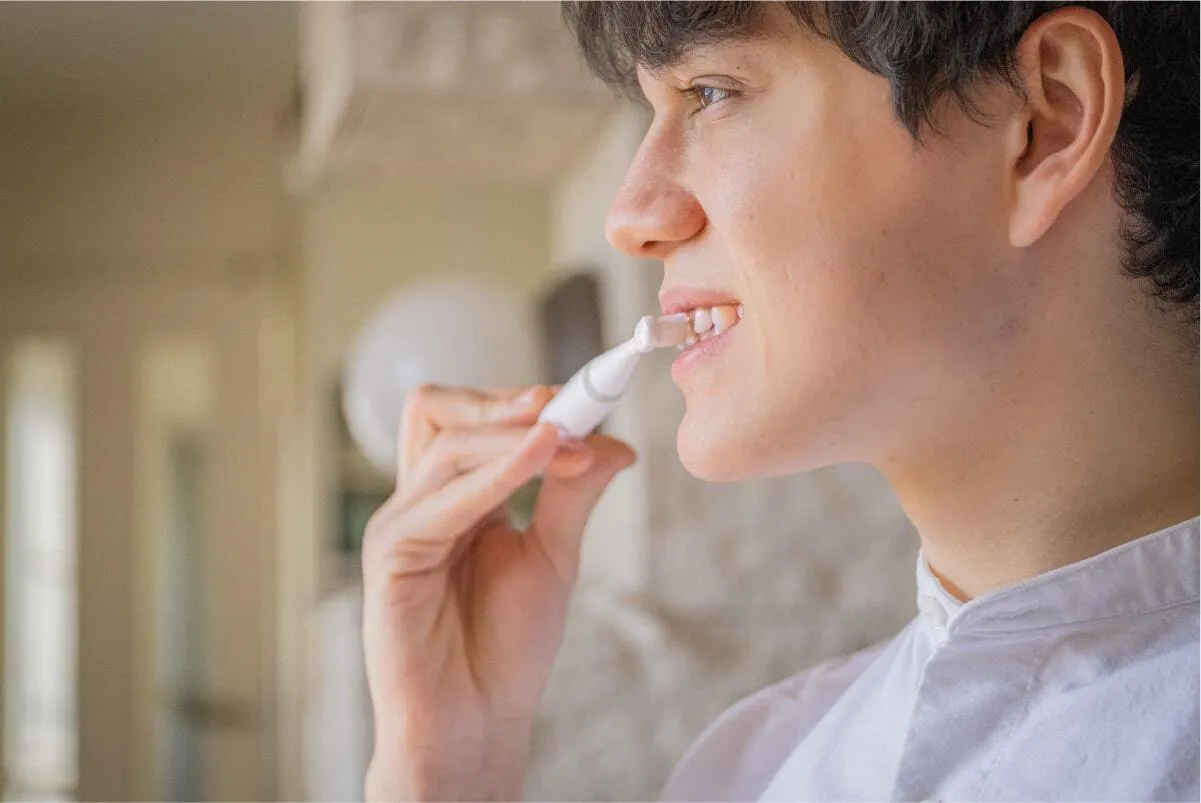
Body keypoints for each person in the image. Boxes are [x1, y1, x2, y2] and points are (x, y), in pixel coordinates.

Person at [360, 2, 1199, 800]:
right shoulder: (748, 767)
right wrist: (450, 769)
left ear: (1046, 119)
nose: (631, 216)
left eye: (710, 92)